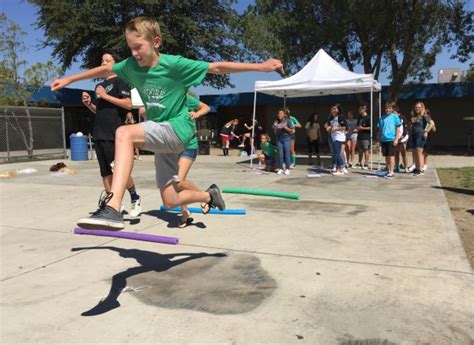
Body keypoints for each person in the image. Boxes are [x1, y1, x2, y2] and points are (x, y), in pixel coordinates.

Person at [51, 16, 284, 230]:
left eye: (139, 47)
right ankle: (208, 196)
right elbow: (105, 69)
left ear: (156, 42)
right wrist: (70, 79)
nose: (134, 53)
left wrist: (261, 66)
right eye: (130, 48)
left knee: (124, 133)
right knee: (170, 200)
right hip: (161, 135)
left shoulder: (174, 64)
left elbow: (216, 67)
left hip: (177, 129)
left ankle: (113, 207)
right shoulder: (131, 66)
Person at [81, 52, 142, 218]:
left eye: (107, 60)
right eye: (102, 60)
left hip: (115, 133)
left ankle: (135, 197)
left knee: (118, 169)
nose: (103, 63)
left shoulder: (121, 81)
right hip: (99, 133)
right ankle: (112, 206)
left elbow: (129, 105)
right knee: (105, 173)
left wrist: (106, 96)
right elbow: (100, 112)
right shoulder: (99, 85)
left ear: (116, 64)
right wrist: (89, 104)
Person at [407, 102, 434, 176]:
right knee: (414, 152)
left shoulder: (424, 116)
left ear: (422, 108)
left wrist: (426, 131)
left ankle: (421, 170)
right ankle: (417, 168)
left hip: (420, 135)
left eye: (419, 107)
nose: (417, 109)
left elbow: (431, 123)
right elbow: (411, 126)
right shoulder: (413, 117)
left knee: (419, 152)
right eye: (416, 107)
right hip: (413, 135)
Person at [376, 102, 401, 179]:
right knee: (386, 156)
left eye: (389, 108)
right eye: (386, 108)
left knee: (391, 156)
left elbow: (398, 129)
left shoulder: (395, 117)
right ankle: (388, 169)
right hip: (384, 139)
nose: (388, 110)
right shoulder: (382, 118)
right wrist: (379, 140)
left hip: (391, 139)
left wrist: (396, 139)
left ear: (392, 109)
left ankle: (391, 171)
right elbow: (380, 130)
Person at [273, 109, 294, 175]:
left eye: (281, 113)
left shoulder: (288, 121)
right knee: (280, 154)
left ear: (284, 115)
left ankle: (287, 169)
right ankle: (280, 169)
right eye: (279, 113)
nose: (279, 114)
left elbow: (292, 131)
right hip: (279, 139)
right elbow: (274, 132)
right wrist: (276, 127)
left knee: (287, 154)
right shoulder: (276, 122)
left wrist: (286, 128)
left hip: (286, 139)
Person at [328, 105, 347, 176]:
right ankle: (340, 168)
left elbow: (344, 127)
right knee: (337, 153)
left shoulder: (340, 117)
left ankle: (341, 169)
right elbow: (331, 126)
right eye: (332, 109)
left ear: (338, 110)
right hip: (334, 137)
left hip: (338, 137)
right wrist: (329, 128)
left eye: (335, 109)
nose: (333, 110)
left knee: (337, 153)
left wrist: (335, 129)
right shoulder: (334, 118)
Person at [356, 105, 371, 170]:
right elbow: (358, 125)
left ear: (364, 110)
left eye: (360, 109)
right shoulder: (359, 117)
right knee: (360, 150)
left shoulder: (368, 117)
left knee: (366, 149)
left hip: (366, 136)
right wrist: (358, 128)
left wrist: (363, 128)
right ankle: (359, 163)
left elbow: (370, 127)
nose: (359, 111)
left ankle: (366, 163)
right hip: (359, 135)